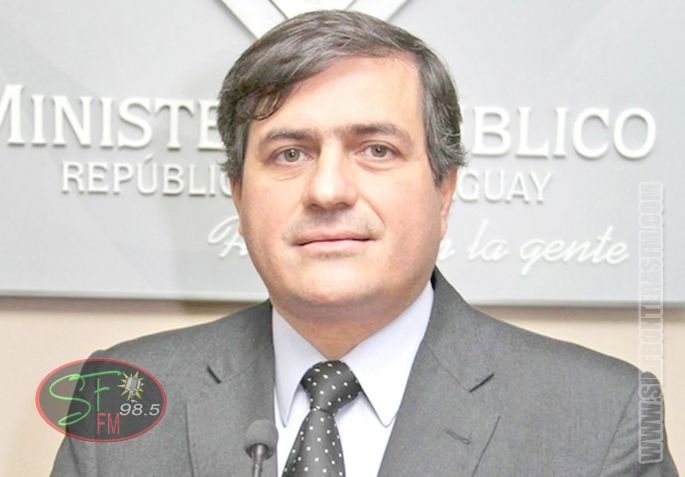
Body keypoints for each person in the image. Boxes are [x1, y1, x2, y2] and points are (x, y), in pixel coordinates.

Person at [51, 10, 678, 477]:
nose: (327, 190)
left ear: (443, 190)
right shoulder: (121, 397)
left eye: (376, 149)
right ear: (239, 195)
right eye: (289, 153)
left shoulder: (602, 418)